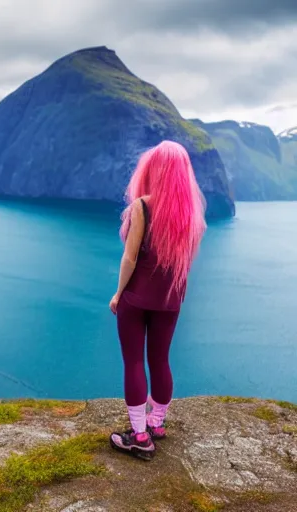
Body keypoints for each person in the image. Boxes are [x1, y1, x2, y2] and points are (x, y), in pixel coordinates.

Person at [108, 140, 206, 461]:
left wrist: (118, 294)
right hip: (170, 301)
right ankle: (157, 423)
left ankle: (138, 436)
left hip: (136, 300)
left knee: (134, 362)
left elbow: (129, 259)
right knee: (160, 360)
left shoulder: (142, 206)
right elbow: (183, 266)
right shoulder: (193, 216)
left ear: (154, 169)